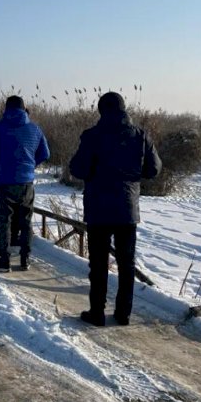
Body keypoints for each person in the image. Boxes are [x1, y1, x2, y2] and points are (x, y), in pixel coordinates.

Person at [69, 92, 161, 326]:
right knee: (126, 263)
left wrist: (95, 174)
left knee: (98, 263)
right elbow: (154, 169)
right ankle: (123, 313)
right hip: (127, 209)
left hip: (98, 208)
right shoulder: (140, 136)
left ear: (101, 110)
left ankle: (97, 312)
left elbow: (78, 169)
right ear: (124, 109)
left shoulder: (92, 136)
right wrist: (131, 177)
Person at [0, 96, 50, 271]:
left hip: (3, 181)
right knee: (26, 221)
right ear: (24, 108)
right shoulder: (34, 129)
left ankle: (4, 259)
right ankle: (25, 258)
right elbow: (45, 153)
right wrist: (30, 166)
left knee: (4, 220)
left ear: (6, 108)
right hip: (26, 182)